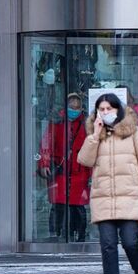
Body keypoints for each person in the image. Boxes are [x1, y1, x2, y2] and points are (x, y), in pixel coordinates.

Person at [77, 93, 138, 274]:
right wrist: (95, 135)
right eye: (102, 109)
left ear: (118, 109)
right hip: (103, 197)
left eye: (109, 108)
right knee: (108, 244)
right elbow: (84, 160)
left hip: (130, 196)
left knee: (130, 241)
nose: (105, 112)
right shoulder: (95, 134)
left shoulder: (135, 132)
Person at [38, 93, 92, 242]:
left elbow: (93, 149)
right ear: (66, 106)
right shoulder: (56, 122)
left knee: (78, 205)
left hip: (80, 170)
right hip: (60, 169)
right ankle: (56, 234)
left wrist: (93, 173)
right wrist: (44, 163)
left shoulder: (87, 124)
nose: (74, 110)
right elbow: (46, 144)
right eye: (71, 107)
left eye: (77, 107)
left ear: (81, 108)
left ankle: (80, 235)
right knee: (58, 204)